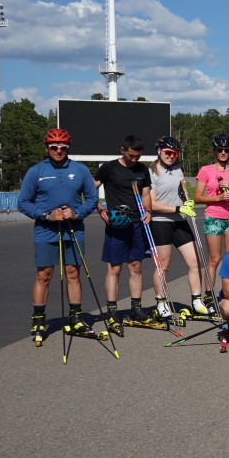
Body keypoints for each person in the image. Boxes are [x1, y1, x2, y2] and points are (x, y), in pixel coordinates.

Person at [17, 129, 98, 342]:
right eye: (54, 147)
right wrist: (45, 215)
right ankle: (38, 319)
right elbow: (23, 202)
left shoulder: (80, 170)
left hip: (74, 228)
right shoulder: (36, 171)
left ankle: (76, 318)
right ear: (47, 148)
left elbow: (92, 198)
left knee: (73, 272)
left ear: (68, 148)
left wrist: (77, 212)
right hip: (46, 230)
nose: (59, 150)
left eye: (63, 147)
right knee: (44, 274)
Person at [93, 135, 153, 332]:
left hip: (137, 224)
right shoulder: (109, 168)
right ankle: (112, 311)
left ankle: (136, 308)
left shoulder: (142, 170)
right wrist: (100, 209)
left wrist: (149, 211)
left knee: (136, 266)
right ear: (123, 150)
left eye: (138, 156)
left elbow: (146, 194)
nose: (134, 160)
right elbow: (91, 188)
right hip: (117, 224)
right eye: (131, 156)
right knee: (115, 268)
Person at [147, 136, 208, 319]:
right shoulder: (151, 172)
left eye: (175, 153)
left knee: (194, 261)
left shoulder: (178, 171)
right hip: (160, 222)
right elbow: (151, 204)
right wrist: (177, 208)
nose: (172, 156)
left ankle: (197, 301)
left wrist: (185, 203)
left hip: (180, 220)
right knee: (163, 265)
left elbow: (181, 194)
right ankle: (161, 302)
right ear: (159, 151)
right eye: (168, 152)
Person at [194, 133, 229, 296]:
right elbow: (197, 197)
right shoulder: (206, 170)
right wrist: (217, 197)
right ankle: (209, 295)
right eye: (220, 150)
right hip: (214, 218)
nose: (223, 153)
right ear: (214, 151)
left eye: (227, 150)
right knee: (214, 259)